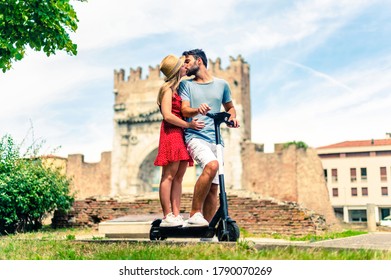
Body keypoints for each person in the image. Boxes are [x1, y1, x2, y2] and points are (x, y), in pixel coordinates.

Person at [179, 49, 239, 227]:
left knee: (214, 188)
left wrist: (232, 118)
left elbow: (230, 108)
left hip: (217, 140)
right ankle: (194, 213)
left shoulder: (222, 85)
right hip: (195, 136)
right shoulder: (186, 85)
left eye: (187, 61)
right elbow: (184, 110)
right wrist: (198, 109)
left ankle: (208, 230)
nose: (184, 65)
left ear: (199, 61)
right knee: (212, 165)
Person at [154, 54, 205, 227]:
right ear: (177, 70)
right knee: (168, 175)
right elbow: (168, 116)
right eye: (182, 65)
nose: (185, 66)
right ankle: (167, 215)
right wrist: (189, 125)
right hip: (172, 132)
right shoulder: (167, 89)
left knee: (178, 177)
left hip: (181, 133)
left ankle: (176, 215)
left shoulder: (178, 89)